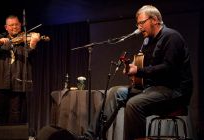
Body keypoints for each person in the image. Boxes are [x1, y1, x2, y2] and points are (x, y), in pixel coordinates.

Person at [78, 5, 193, 140]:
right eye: (137, 24)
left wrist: (138, 70)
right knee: (114, 92)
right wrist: (134, 72)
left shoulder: (172, 37)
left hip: (174, 91)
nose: (139, 27)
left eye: (142, 23)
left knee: (134, 103)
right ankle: (90, 137)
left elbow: (168, 68)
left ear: (155, 20)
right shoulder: (147, 42)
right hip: (152, 89)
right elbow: (145, 70)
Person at [0, 15, 41, 125]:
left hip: (18, 84)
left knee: (16, 115)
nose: (14, 27)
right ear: (6, 27)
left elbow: (31, 57)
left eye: (16, 24)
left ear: (20, 25)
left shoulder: (25, 41)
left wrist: (33, 44)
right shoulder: (1, 37)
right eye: (11, 25)